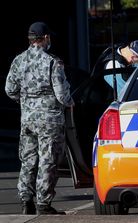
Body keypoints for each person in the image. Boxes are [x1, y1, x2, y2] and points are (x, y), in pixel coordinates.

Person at [4, 21, 74, 215]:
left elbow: (9, 89)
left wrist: (27, 102)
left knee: (28, 159)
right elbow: (62, 95)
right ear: (45, 38)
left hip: (27, 119)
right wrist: (70, 102)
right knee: (47, 160)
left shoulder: (18, 60)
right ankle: (43, 203)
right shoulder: (53, 62)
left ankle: (26, 201)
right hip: (50, 120)